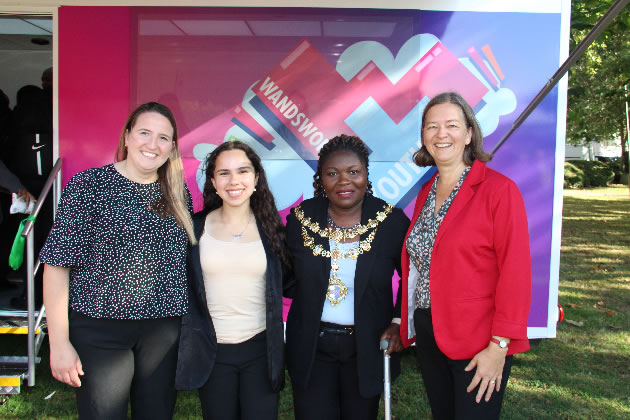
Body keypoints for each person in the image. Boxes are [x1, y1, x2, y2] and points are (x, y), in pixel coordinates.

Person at [40, 102, 195, 419]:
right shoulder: (89, 187)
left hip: (163, 334)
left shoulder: (178, 195)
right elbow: (56, 265)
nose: (153, 144)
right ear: (127, 137)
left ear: (172, 147)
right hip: (100, 332)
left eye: (163, 138)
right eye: (144, 133)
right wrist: (59, 344)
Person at [400, 92, 532, 419]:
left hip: (478, 339)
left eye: (451, 125)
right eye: (432, 126)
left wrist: (499, 346)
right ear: (423, 136)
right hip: (430, 331)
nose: (441, 134)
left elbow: (516, 274)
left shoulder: (499, 191)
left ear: (469, 134)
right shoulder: (425, 192)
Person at [285, 134, 410, 420]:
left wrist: (397, 320)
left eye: (353, 172)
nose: (344, 181)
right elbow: (286, 273)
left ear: (366, 174)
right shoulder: (301, 220)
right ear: (320, 179)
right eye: (332, 173)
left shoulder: (391, 222)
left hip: (366, 345)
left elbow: (411, 277)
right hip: (312, 346)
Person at [175, 140, 293, 420]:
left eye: (242, 171)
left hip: (261, 351)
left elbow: (291, 283)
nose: (233, 180)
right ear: (213, 182)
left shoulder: (273, 230)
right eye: (224, 173)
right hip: (212, 353)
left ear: (255, 179)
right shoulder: (194, 228)